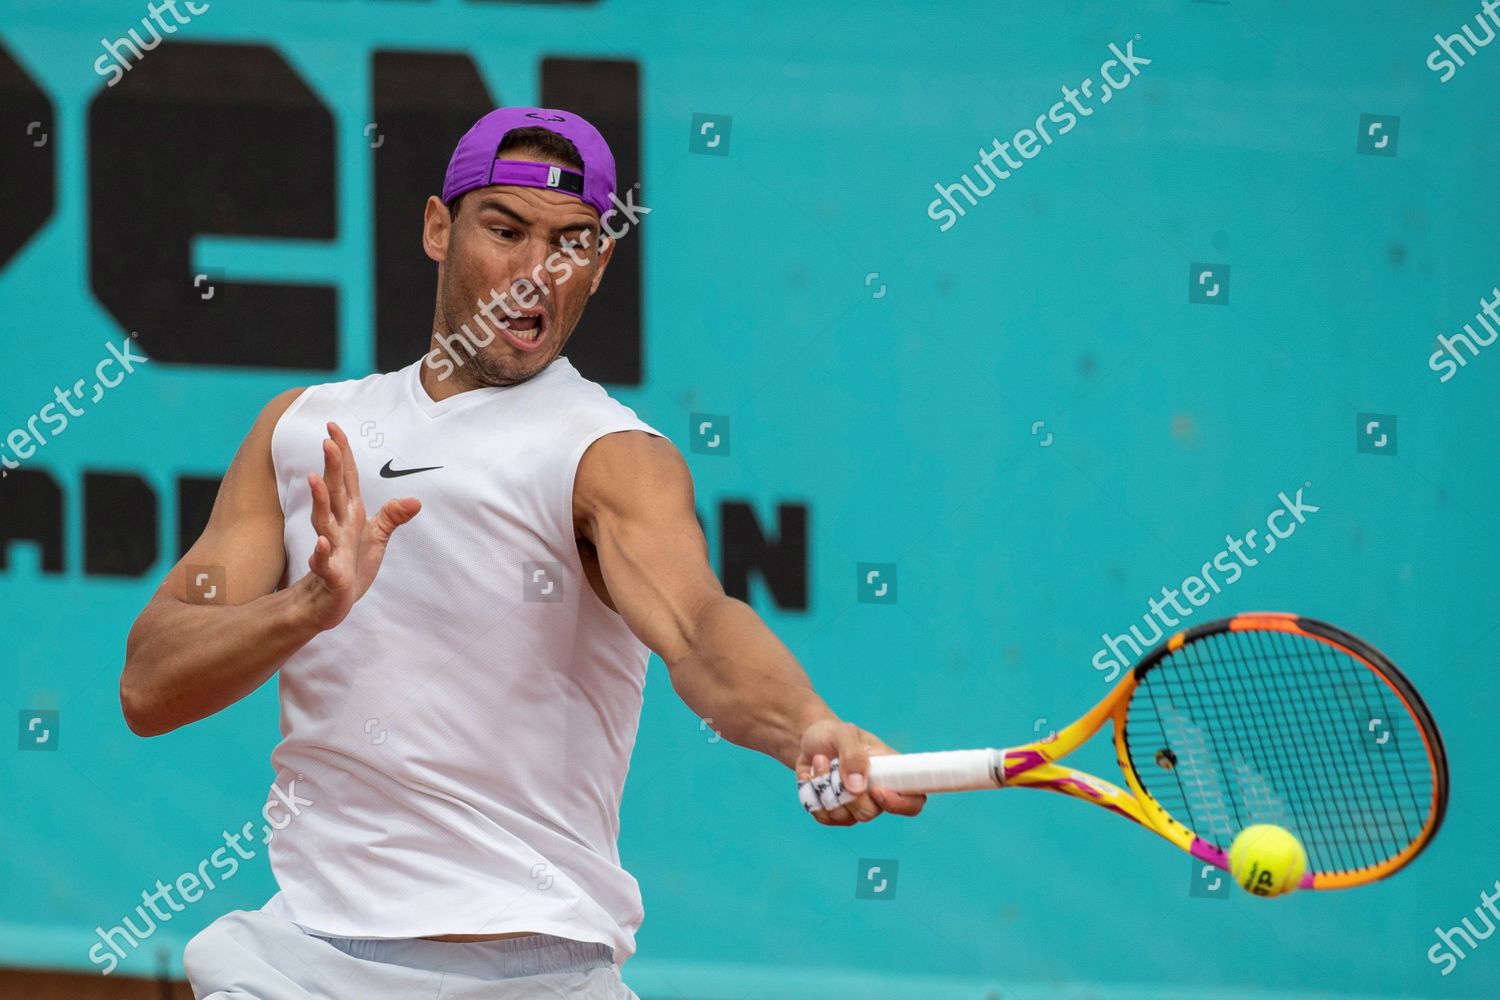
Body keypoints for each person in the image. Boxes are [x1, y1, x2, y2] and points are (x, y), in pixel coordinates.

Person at [120, 106, 924, 999]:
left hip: (534, 973)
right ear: (438, 227)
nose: (534, 272)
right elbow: (151, 685)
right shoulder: (301, 431)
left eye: (571, 242)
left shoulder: (609, 457)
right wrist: (306, 607)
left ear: (600, 262)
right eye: (504, 231)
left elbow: (700, 625)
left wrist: (805, 727)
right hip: (300, 967)